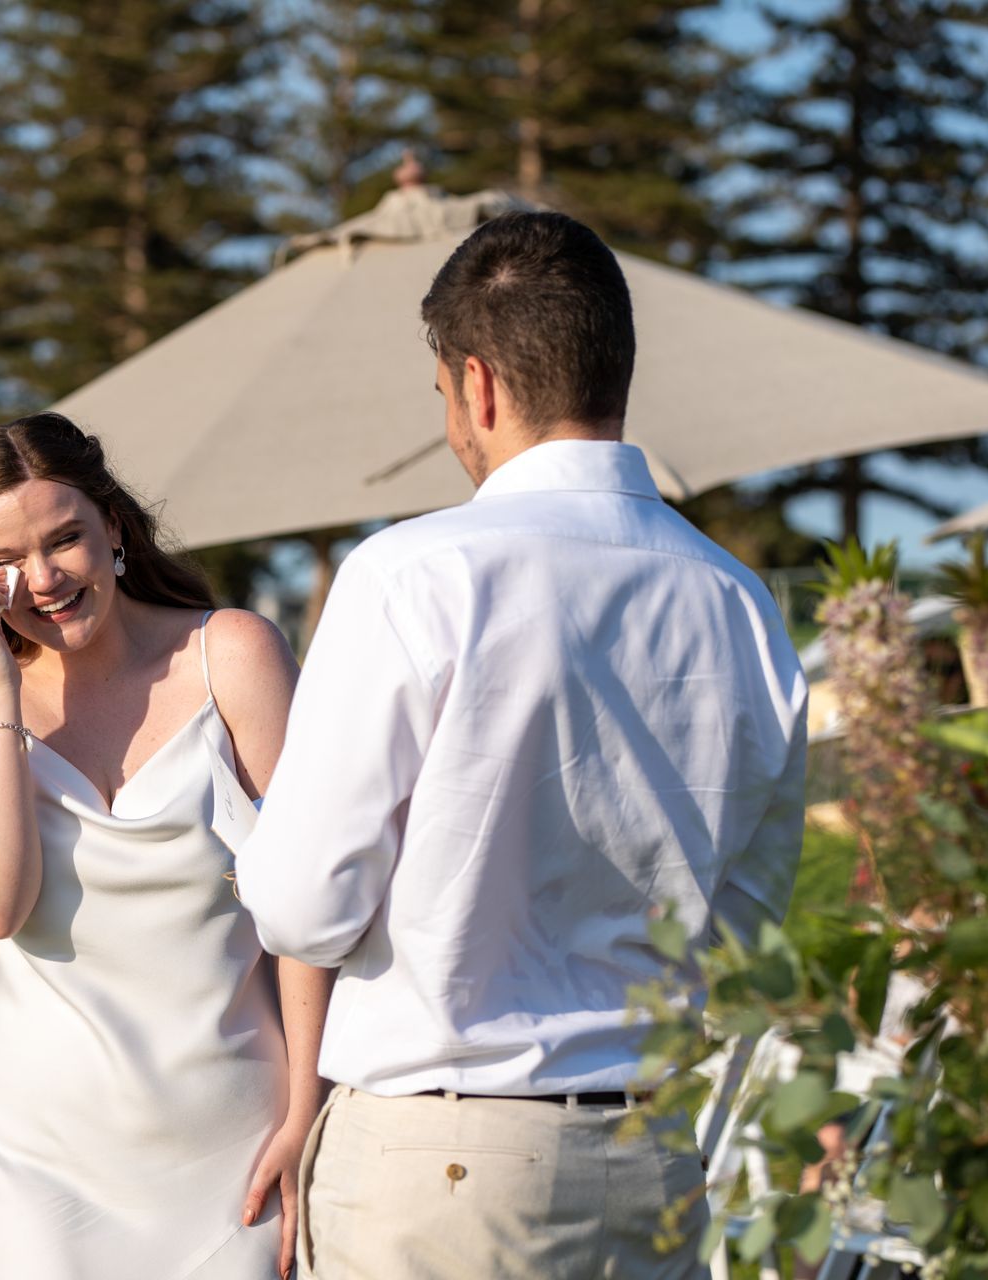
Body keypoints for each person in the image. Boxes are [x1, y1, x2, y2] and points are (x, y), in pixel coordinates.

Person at [234, 212, 809, 1280]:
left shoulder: (413, 575)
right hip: (654, 1155)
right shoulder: (740, 603)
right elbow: (747, 921)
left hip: (442, 1154)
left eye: (444, 395)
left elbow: (303, 903)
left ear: (478, 386)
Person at [0, 412, 330, 1279]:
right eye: (6, 560)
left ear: (115, 527)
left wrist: (307, 1113)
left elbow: (315, 903)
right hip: (37, 1166)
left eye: (65, 539)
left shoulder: (234, 656)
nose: (44, 578)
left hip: (237, 1153)